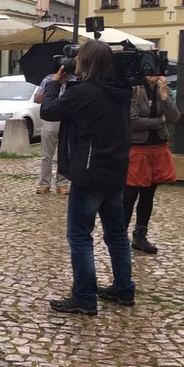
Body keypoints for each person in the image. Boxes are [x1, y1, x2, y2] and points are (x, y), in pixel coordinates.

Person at [40, 40, 135, 314]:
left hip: (89, 174)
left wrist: (54, 83)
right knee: (116, 234)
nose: (76, 62)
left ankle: (84, 296)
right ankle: (124, 288)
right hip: (115, 172)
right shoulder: (120, 91)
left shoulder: (84, 92)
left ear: (87, 63)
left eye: (80, 58)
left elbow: (49, 111)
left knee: (80, 235)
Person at [125, 73, 179, 254]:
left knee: (148, 195)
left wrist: (164, 97)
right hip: (138, 149)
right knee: (129, 195)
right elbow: (132, 121)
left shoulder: (165, 90)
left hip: (158, 147)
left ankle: (140, 235)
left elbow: (174, 117)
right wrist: (159, 121)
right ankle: (119, 234)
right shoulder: (134, 90)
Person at [32, 73, 69, 195]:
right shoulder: (48, 78)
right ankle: (44, 183)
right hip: (50, 119)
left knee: (64, 153)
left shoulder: (74, 80)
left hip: (67, 119)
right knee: (46, 154)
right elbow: (36, 99)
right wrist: (52, 87)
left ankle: (62, 183)